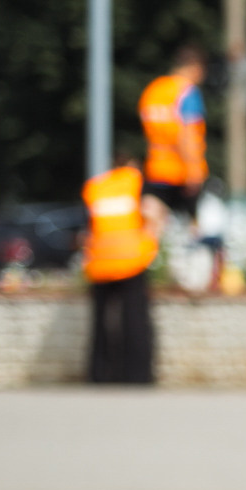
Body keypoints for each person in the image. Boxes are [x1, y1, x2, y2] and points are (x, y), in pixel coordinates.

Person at [81, 154, 165, 384]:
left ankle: (99, 375)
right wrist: (151, 245)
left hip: (99, 262)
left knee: (101, 323)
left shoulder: (96, 186)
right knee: (135, 321)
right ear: (131, 166)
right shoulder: (137, 183)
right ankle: (138, 376)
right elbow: (154, 214)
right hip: (131, 260)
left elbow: (87, 227)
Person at [138, 46, 210, 217]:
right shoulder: (187, 92)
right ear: (196, 67)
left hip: (155, 169)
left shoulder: (153, 90)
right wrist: (193, 170)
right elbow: (187, 134)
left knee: (156, 225)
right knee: (192, 230)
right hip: (181, 172)